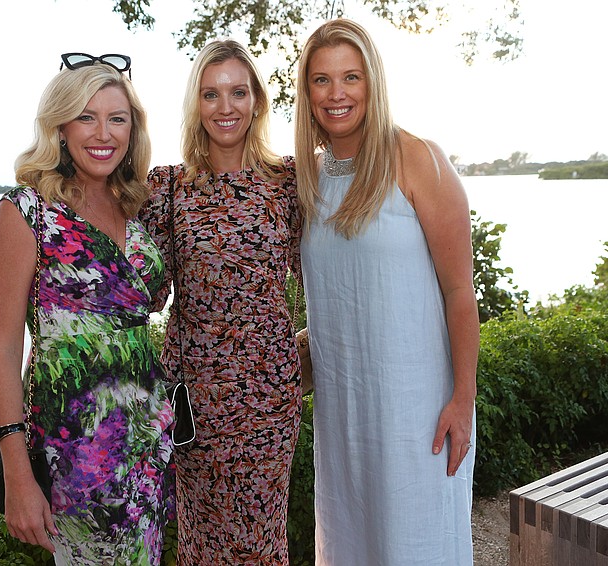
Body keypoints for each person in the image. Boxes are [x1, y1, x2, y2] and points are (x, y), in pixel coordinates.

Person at [294, 19, 480, 565]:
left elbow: (459, 294)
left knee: (415, 547)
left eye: (351, 77)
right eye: (322, 80)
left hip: (418, 414)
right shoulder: (309, 177)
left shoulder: (418, 158)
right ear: (306, 92)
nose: (337, 94)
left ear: (373, 83)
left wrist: (462, 403)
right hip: (345, 415)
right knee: (353, 546)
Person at [0, 54, 174, 565]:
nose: (103, 133)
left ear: (133, 130)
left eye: (118, 118)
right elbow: (2, 347)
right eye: (86, 116)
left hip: (149, 443)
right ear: (60, 127)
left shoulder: (135, 204)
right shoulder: (26, 211)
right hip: (74, 456)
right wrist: (17, 474)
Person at [139, 39, 302, 564]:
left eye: (237, 92)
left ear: (256, 99)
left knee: (263, 541)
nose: (225, 107)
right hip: (196, 406)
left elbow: (332, 272)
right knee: (202, 542)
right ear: (196, 103)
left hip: (270, 401)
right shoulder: (168, 188)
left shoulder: (289, 182)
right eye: (211, 94)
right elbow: (143, 294)